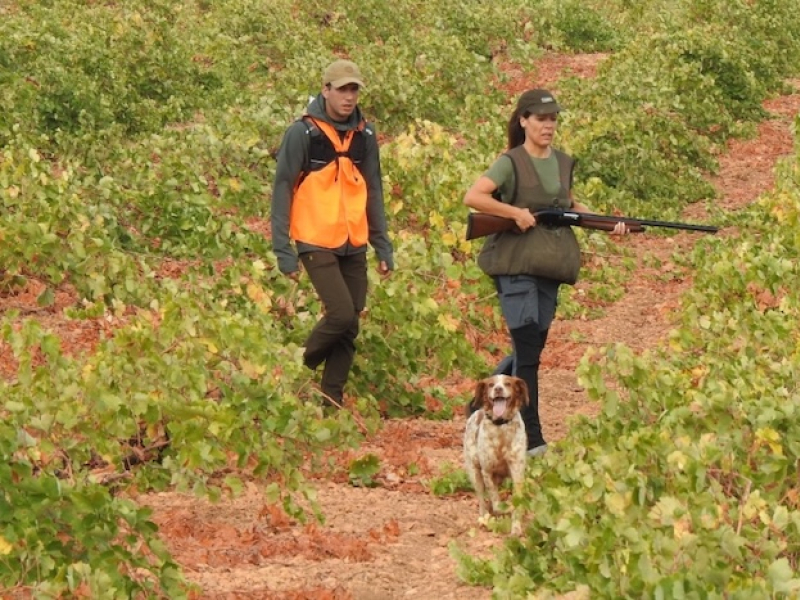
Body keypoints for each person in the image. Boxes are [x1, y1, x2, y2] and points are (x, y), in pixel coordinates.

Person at [463, 89, 628, 457]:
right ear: (523, 120)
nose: (548, 125)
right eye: (540, 118)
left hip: (550, 266)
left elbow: (569, 206)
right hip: (515, 265)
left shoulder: (562, 162)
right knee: (528, 346)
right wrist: (514, 213)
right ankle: (533, 440)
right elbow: (474, 198)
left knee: (531, 346)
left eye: (553, 119)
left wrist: (609, 224)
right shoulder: (510, 162)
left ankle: (482, 402)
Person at [271, 59, 394, 406]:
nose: (349, 97)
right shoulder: (302, 132)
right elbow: (283, 188)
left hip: (353, 240)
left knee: (349, 324)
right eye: (342, 89)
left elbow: (374, 189)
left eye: (354, 89)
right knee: (340, 314)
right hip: (314, 237)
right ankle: (295, 370)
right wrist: (283, 249)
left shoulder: (365, 134)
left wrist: (382, 246)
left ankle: (332, 403)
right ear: (326, 90)